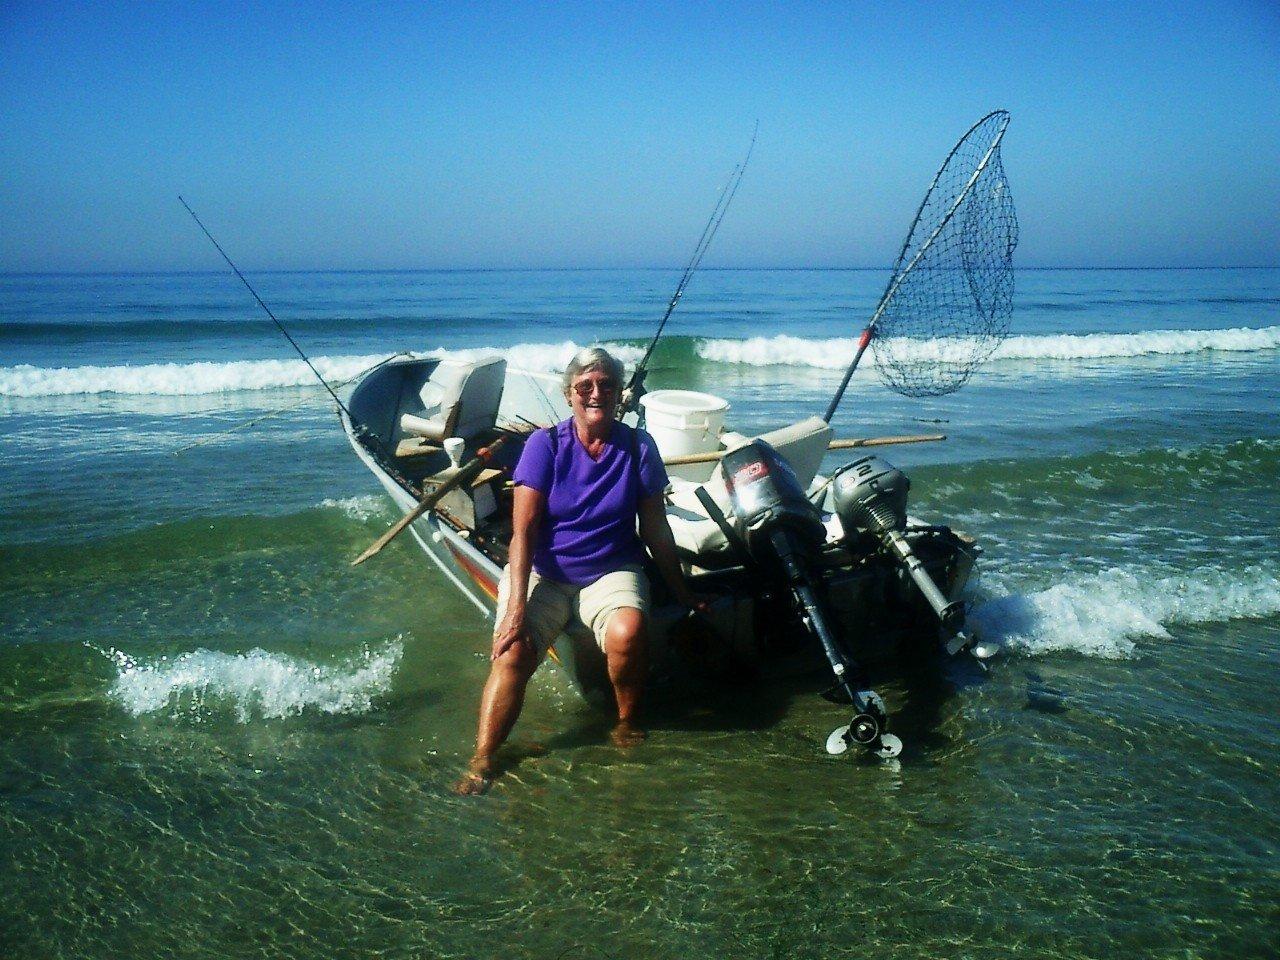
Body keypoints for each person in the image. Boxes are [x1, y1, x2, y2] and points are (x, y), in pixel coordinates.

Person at [453, 347, 703, 795]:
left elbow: (655, 528)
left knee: (629, 629)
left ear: (619, 395)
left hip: (611, 568)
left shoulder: (638, 447)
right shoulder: (544, 445)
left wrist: (680, 590)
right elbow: (523, 534)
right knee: (512, 651)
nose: (596, 393)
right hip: (545, 571)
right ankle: (484, 756)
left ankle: (626, 721)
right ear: (568, 394)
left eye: (606, 384)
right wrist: (513, 611)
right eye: (584, 385)